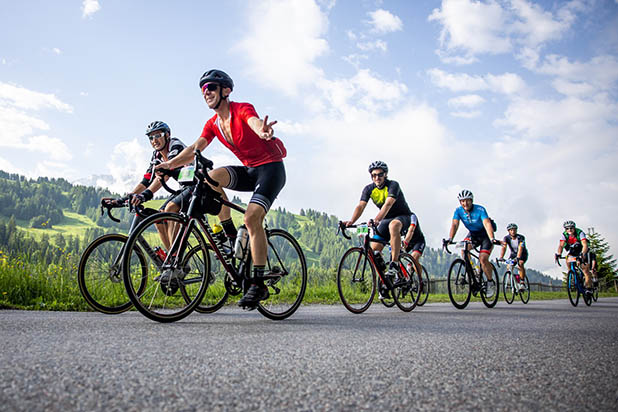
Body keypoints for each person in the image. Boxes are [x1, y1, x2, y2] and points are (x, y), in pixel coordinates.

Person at [156, 69, 287, 309]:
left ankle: (258, 283)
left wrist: (263, 131)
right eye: (203, 90)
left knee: (251, 218)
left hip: (271, 170)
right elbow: (195, 147)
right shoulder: (213, 124)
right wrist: (169, 164)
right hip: (249, 170)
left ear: (225, 90)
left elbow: (254, 121)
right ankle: (227, 235)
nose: (206, 93)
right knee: (210, 176)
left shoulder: (241, 109)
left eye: (211, 88)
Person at [103, 121, 193, 249]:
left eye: (157, 135)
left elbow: (166, 174)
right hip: (184, 189)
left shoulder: (175, 145)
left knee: (170, 208)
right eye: (151, 137)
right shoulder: (156, 155)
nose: (154, 140)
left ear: (167, 135)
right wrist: (123, 199)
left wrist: (144, 196)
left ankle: (176, 257)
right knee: (159, 219)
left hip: (198, 186)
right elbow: (146, 180)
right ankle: (171, 260)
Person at [343, 161, 412, 297]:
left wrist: (376, 219)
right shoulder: (369, 189)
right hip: (385, 220)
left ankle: (395, 263)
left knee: (394, 226)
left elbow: (388, 204)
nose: (377, 178)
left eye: (380, 175)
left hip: (402, 216)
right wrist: (351, 221)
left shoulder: (393, 185)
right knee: (374, 251)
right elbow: (360, 206)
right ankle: (386, 282)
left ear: (385, 175)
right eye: (373, 175)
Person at [444, 189, 499, 298]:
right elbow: (454, 225)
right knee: (464, 250)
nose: (465, 203)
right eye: (462, 201)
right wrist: (450, 238)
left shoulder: (480, 209)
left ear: (471, 200)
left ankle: (490, 282)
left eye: (467, 201)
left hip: (485, 236)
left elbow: (487, 224)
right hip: (473, 234)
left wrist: (492, 238)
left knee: (483, 259)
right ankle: (474, 273)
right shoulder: (458, 211)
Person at [555, 220, 593, 290]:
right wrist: (559, 254)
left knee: (585, 269)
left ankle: (588, 288)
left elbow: (584, 244)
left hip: (583, 249)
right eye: (567, 228)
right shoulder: (564, 235)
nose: (569, 230)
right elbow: (561, 245)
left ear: (574, 228)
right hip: (573, 250)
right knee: (568, 259)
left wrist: (583, 254)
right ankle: (571, 275)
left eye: (571, 228)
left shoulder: (580, 233)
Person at [499, 223, 528, 290]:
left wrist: (518, 257)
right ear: (509, 231)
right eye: (511, 230)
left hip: (522, 254)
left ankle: (522, 282)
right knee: (509, 266)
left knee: (520, 263)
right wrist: (501, 257)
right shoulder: (506, 238)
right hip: (513, 254)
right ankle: (511, 280)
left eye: (514, 230)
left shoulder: (521, 237)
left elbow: (521, 247)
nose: (513, 231)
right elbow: (504, 247)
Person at [402, 212, 425, 282]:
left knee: (413, 258)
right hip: (408, 242)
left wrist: (405, 242)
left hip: (418, 241)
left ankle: (420, 280)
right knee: (396, 255)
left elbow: (411, 230)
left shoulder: (412, 216)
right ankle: (403, 278)